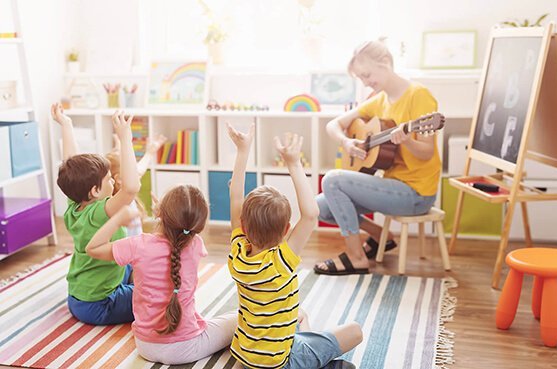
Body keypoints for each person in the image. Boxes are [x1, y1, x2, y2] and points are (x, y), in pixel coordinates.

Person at [227, 124, 363, 369]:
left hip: (245, 356)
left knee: (301, 315)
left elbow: (235, 196)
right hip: (281, 361)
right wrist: (294, 163)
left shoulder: (237, 254)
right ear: (287, 229)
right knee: (354, 332)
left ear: (243, 226)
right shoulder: (281, 261)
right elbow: (311, 214)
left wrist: (242, 151)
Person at [314, 38, 441, 275]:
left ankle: (356, 257)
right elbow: (333, 125)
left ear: (385, 62)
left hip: (416, 193)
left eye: (367, 74)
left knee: (332, 180)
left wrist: (407, 140)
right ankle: (380, 234)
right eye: (361, 78)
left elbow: (427, 152)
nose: (366, 82)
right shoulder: (379, 99)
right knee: (320, 207)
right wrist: (347, 142)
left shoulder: (419, 95)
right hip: (392, 185)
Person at [85, 185, 237, 365]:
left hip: (145, 346)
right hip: (187, 348)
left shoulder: (138, 245)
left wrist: (117, 220)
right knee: (238, 316)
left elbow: (92, 248)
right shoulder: (196, 244)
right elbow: (179, 230)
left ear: (159, 214)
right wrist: (167, 213)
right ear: (198, 224)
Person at [52, 103, 140, 324]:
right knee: (159, 296)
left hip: (78, 298)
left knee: (135, 260)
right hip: (102, 304)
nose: (113, 180)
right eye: (109, 179)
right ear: (95, 190)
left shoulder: (74, 204)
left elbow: (70, 163)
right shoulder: (100, 212)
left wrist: (67, 125)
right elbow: (130, 188)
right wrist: (125, 138)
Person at [106, 133, 167, 236]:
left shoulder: (121, 190)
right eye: (133, 170)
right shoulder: (122, 201)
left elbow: (139, 170)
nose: (137, 173)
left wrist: (149, 153)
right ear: (119, 179)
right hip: (129, 249)